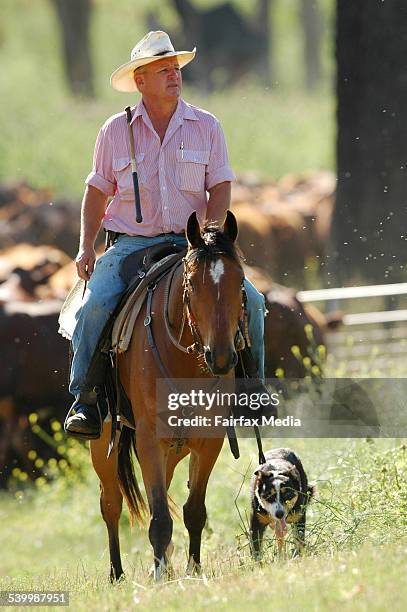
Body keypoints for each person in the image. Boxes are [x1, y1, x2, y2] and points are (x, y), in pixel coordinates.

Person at [64, 30, 266, 438]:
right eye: (163, 70)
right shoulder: (114, 130)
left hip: (190, 243)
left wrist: (211, 237)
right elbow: (96, 190)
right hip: (130, 245)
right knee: (94, 307)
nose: (174, 76)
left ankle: (251, 392)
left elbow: (221, 185)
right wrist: (86, 246)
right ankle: (85, 399)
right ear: (140, 80)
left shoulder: (207, 126)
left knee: (254, 302)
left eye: (176, 69)